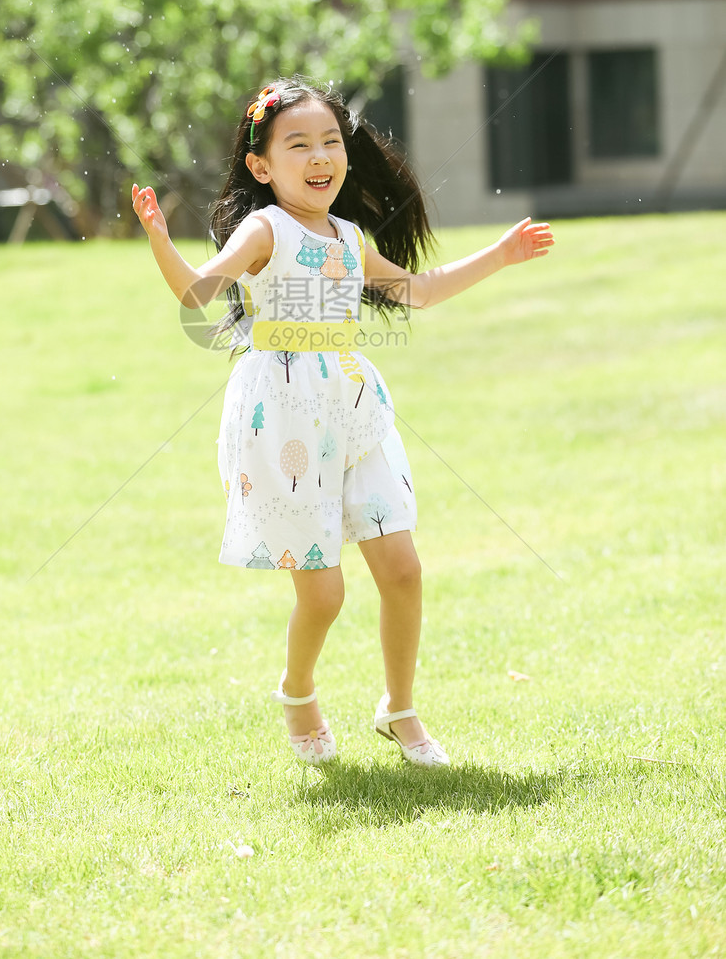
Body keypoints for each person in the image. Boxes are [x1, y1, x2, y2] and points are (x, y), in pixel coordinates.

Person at [132, 77, 554, 768]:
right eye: (298, 143)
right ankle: (298, 692)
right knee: (323, 595)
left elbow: (414, 291)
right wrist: (157, 236)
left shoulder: (350, 238)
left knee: (403, 569)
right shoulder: (266, 228)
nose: (320, 154)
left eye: (331, 140)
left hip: (356, 406)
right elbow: (197, 290)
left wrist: (499, 255)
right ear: (262, 166)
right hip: (286, 418)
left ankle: (400, 708)